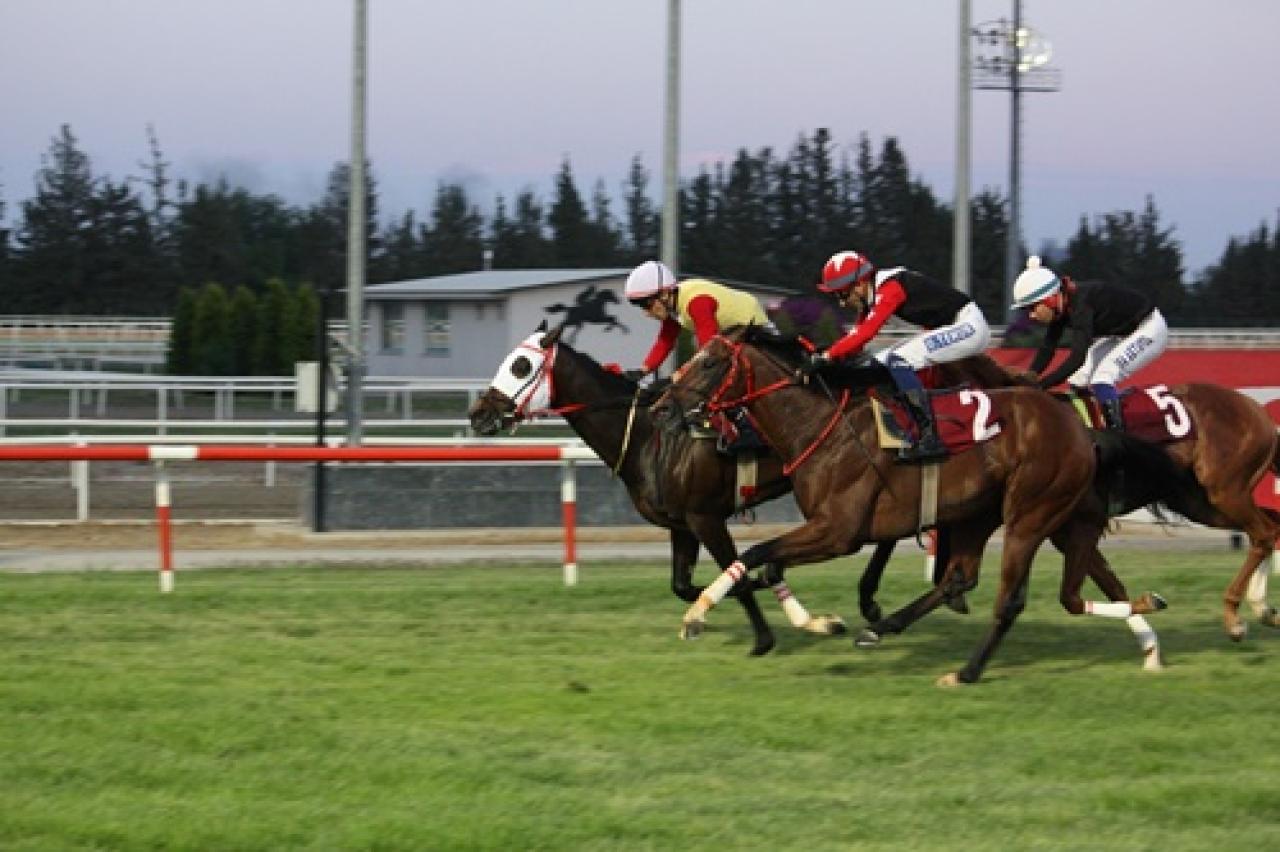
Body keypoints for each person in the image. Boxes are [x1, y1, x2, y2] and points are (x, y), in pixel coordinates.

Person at [800, 250, 991, 462]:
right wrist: (823, 356)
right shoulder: (872, 294)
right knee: (878, 362)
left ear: (861, 284)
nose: (842, 303)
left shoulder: (890, 288)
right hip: (949, 327)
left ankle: (930, 438)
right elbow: (856, 338)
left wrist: (827, 357)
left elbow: (866, 333)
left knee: (897, 360)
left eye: (842, 294)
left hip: (969, 326)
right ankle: (904, 427)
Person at [1010, 256, 1168, 431]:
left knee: (1103, 377)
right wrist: (1029, 377)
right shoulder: (1061, 304)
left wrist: (1041, 386)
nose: (1031, 315)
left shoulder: (1081, 305)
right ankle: (1090, 430)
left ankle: (1119, 438)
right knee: (1078, 380)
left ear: (1051, 299)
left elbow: (1077, 358)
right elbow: (1048, 348)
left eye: (1032, 308)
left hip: (1149, 328)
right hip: (1123, 332)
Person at [622, 260, 772, 378]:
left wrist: (676, 377)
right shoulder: (674, 305)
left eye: (646, 304)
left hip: (755, 328)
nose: (646, 313)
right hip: (733, 335)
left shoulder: (696, 303)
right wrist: (642, 371)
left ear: (664, 294)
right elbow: (665, 341)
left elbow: (708, 351)